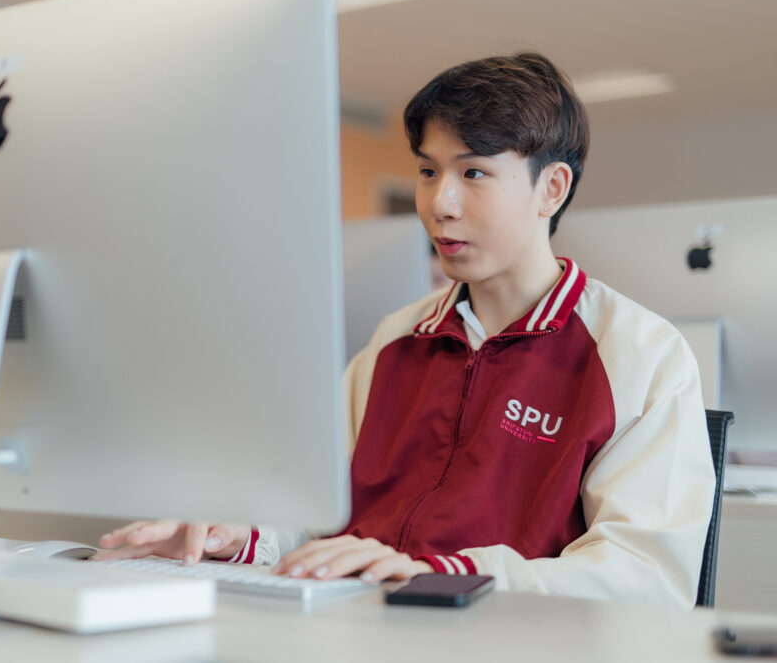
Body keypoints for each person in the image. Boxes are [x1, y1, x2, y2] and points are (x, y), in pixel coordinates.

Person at [96, 52, 716, 608]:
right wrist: (237, 536)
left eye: (473, 174)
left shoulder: (639, 356)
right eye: (427, 172)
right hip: (357, 629)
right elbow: (318, 514)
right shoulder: (396, 340)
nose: (440, 203)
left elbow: (646, 578)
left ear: (550, 189)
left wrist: (438, 574)